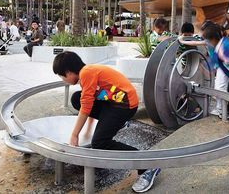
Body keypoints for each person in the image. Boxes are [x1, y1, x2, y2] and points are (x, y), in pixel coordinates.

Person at [53, 52, 161, 193]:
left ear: (68, 72)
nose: (63, 80)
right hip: (113, 102)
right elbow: (90, 101)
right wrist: (88, 130)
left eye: (62, 76)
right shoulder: (86, 72)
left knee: (100, 142)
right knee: (76, 98)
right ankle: (115, 123)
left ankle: (147, 165)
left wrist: (75, 135)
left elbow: (86, 107)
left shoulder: (86, 73)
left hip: (125, 105)